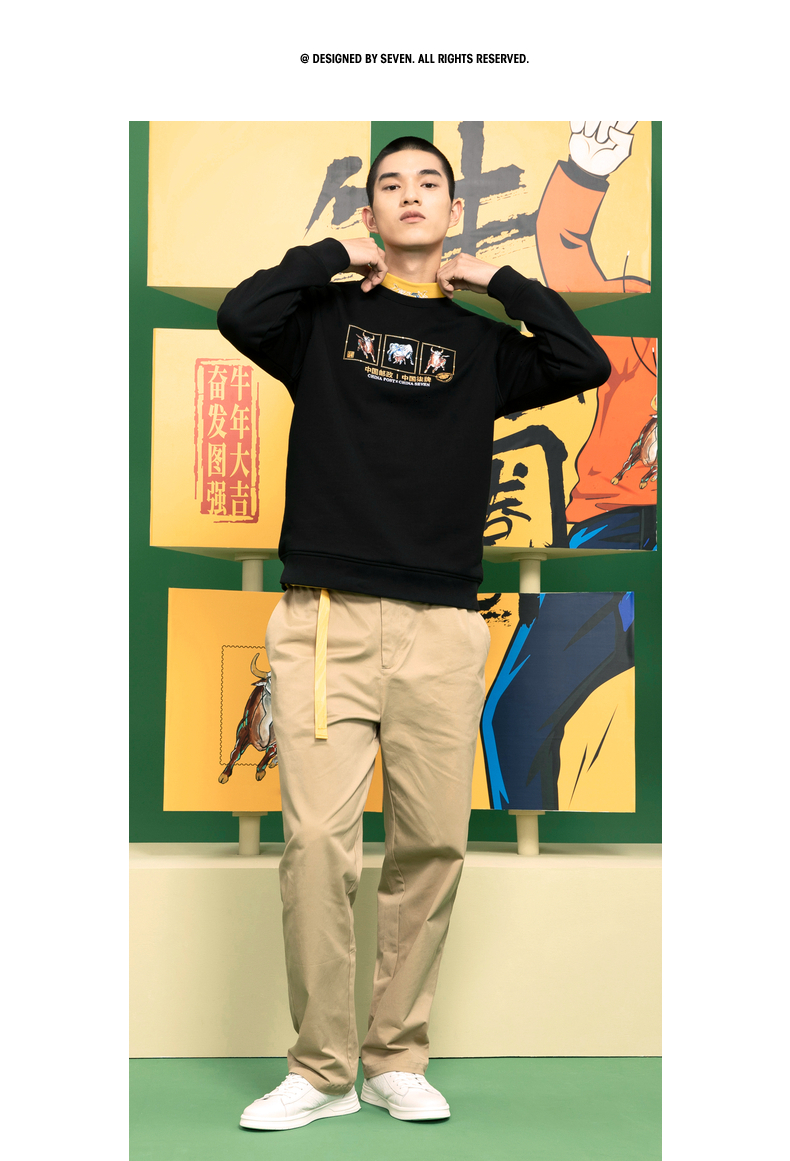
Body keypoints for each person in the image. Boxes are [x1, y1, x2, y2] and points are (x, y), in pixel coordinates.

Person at [217, 136, 610, 1132]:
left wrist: (500, 281)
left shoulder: (482, 346)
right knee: (316, 845)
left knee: (431, 844)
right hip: (325, 620)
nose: (409, 196)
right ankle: (320, 1070)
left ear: (451, 211)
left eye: (427, 183)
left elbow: (584, 359)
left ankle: (396, 1057)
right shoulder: (321, 320)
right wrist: (328, 258)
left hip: (441, 623)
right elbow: (239, 313)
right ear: (371, 212)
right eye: (389, 185)